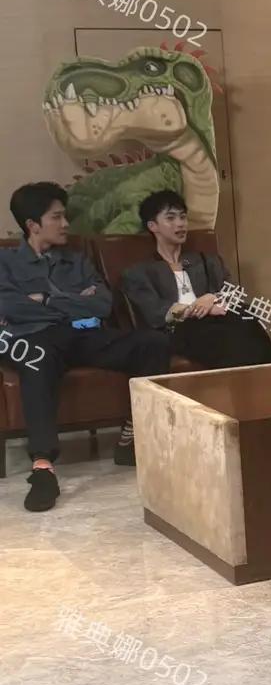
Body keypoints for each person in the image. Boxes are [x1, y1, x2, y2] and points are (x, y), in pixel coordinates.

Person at [0, 182, 171, 512]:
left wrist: (45, 299)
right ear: (33, 225)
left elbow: (102, 305)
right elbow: (10, 307)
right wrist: (75, 302)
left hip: (83, 335)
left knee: (152, 342)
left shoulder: (76, 260)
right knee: (37, 358)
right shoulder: (5, 262)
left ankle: (132, 438)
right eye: (57, 217)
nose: (65, 224)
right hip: (36, 338)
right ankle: (42, 466)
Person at [121, 190, 271, 369]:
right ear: (153, 226)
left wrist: (212, 298)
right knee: (233, 335)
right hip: (180, 330)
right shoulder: (139, 272)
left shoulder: (206, 261)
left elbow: (233, 293)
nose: (180, 223)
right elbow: (154, 312)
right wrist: (197, 308)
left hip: (220, 320)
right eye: (171, 218)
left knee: (247, 317)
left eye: (183, 217)